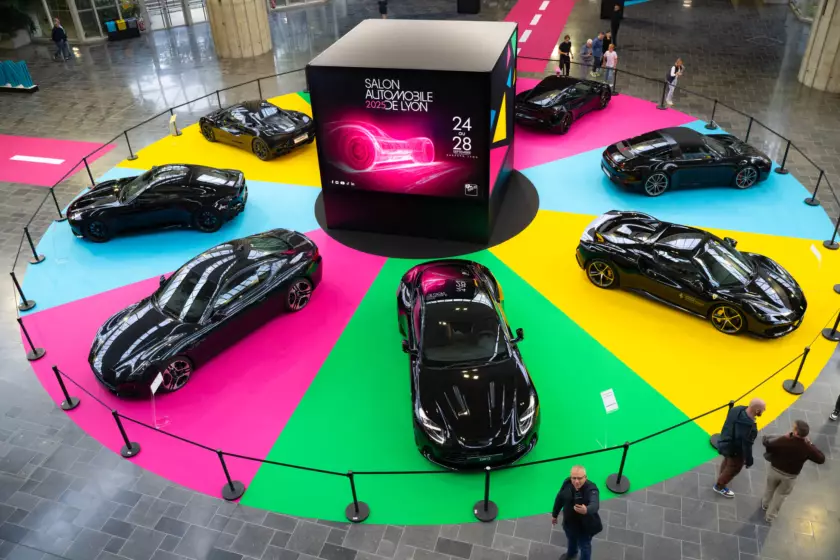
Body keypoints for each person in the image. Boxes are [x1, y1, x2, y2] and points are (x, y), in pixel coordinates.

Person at [761, 420, 825, 523]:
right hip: (790, 476)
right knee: (780, 495)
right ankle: (770, 516)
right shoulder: (807, 448)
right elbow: (821, 459)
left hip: (774, 470)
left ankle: (765, 504)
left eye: (793, 427)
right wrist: (811, 444)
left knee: (770, 488)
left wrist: (783, 437)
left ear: (795, 432)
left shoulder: (784, 440)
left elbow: (767, 443)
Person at [713, 398, 765, 498]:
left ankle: (722, 475)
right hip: (736, 451)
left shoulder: (736, 409)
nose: (764, 410)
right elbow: (746, 446)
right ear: (757, 411)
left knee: (727, 461)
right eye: (763, 409)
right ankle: (720, 486)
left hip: (726, 443)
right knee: (733, 468)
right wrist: (749, 460)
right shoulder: (750, 428)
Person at [551, 466, 602, 560]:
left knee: (585, 547)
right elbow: (559, 498)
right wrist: (555, 514)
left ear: (585, 477)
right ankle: (571, 554)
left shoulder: (591, 489)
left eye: (579, 478)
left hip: (584, 529)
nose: (576, 481)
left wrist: (586, 509)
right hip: (569, 523)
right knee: (571, 539)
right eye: (574, 478)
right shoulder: (567, 483)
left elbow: (595, 504)